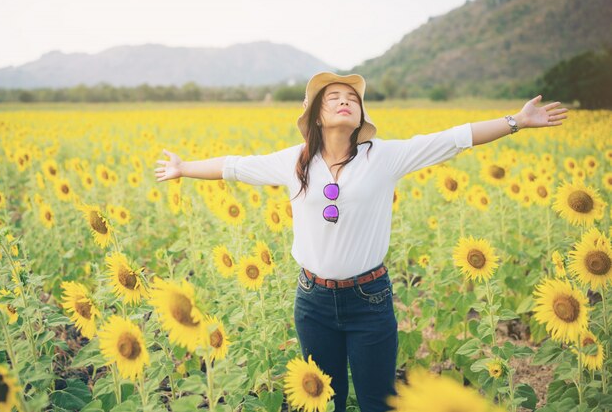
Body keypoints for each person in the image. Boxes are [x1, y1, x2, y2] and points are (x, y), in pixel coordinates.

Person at [154, 72, 568, 412]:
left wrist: (516, 121)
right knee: (322, 403)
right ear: (316, 114)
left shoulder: (383, 157)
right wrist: (183, 167)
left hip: (369, 299)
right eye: (333, 96)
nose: (344, 101)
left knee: (377, 402)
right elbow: (234, 166)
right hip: (312, 300)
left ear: (361, 114)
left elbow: (454, 138)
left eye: (352, 97)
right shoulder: (294, 161)